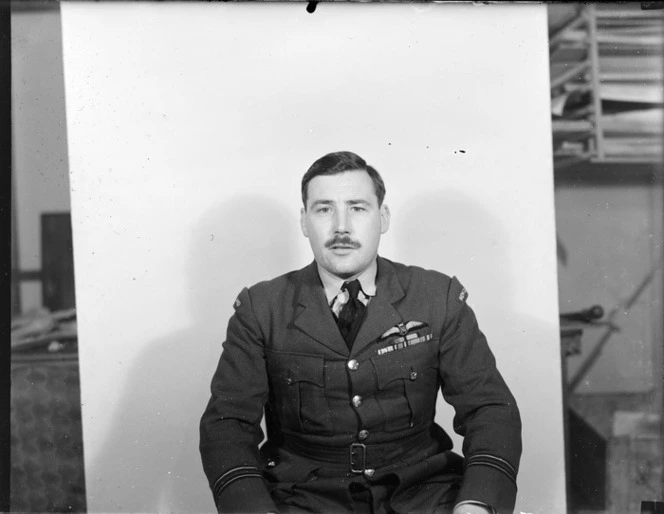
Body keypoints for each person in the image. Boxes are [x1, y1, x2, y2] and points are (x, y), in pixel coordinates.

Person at [199, 151, 522, 514]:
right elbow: (227, 426)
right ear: (304, 221)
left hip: (422, 492)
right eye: (323, 209)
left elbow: (491, 409)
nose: (341, 227)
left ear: (382, 218)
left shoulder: (437, 297)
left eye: (357, 208)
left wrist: (477, 503)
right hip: (304, 497)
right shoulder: (262, 308)